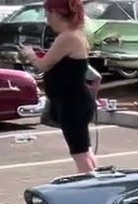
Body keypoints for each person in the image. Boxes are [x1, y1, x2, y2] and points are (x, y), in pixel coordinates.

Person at [19, 0, 96, 173]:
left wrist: (30, 54)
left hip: (72, 103)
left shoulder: (67, 37)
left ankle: (89, 187)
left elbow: (43, 65)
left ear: (56, 14)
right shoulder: (74, 35)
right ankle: (92, 180)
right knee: (83, 149)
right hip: (73, 101)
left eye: (48, 15)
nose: (47, 20)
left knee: (79, 152)